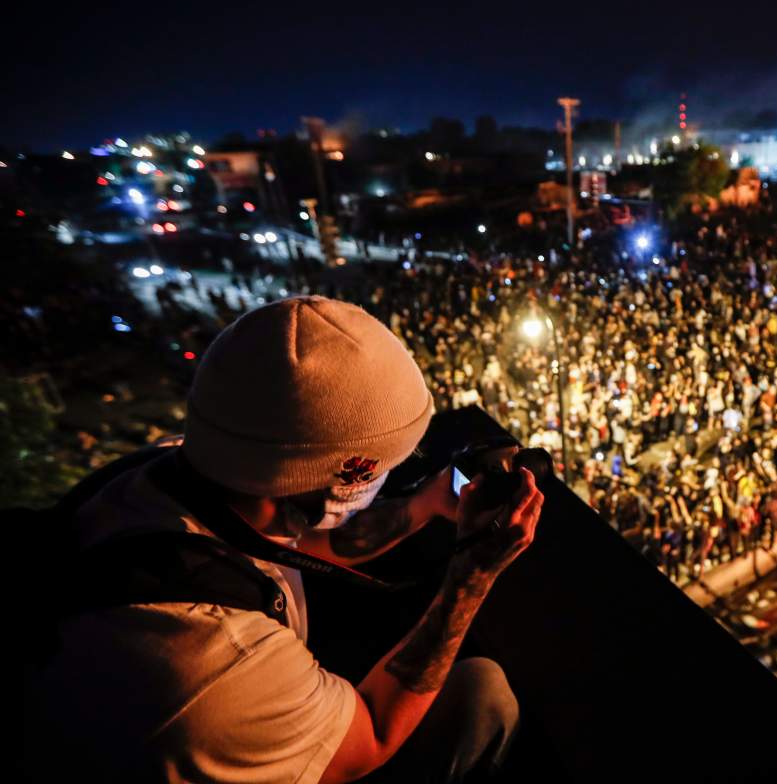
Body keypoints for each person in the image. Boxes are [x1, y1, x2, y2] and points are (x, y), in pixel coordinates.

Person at [29, 296, 542, 783]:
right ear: (335, 480)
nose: (394, 475)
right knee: (484, 695)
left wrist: (424, 504)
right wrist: (472, 576)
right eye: (386, 466)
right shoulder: (214, 662)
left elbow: (297, 538)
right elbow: (370, 738)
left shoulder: (173, 472)